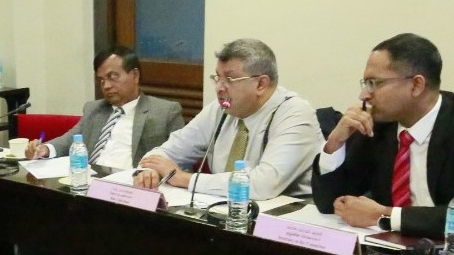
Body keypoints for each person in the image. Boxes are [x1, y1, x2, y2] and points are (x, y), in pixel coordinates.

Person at [312, 33, 454, 246]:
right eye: (365, 83)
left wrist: (385, 215)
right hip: (390, 249)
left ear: (416, 85)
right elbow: (330, 204)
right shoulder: (376, 125)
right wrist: (335, 143)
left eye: (374, 83)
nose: (364, 95)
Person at [134, 38, 323, 200]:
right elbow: (168, 151)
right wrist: (150, 171)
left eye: (230, 80)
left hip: (284, 220)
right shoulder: (220, 109)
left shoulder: (295, 114)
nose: (219, 88)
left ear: (261, 84)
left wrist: (185, 179)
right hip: (224, 211)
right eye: (217, 78)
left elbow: (263, 185)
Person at [25, 46, 185, 168]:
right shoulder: (94, 109)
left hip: (131, 189)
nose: (106, 86)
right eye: (101, 80)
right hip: (90, 183)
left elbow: (181, 160)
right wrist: (45, 149)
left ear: (135, 75)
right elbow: (70, 140)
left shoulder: (165, 112)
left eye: (113, 77)